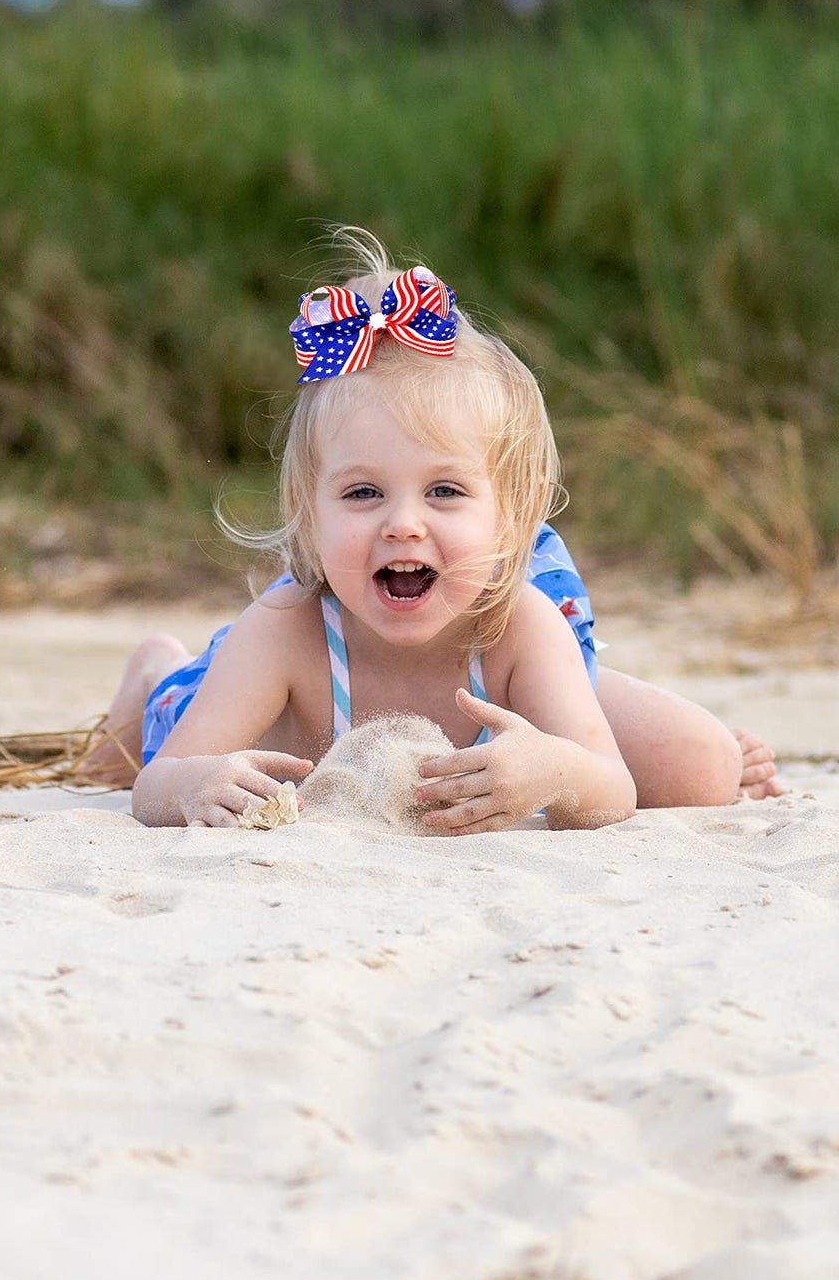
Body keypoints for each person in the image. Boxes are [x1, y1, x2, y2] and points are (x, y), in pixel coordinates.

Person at [93, 231, 780, 831]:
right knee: (149, 735)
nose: (402, 524)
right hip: (213, 708)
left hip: (508, 644)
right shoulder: (282, 630)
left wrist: (554, 774)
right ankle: (153, 670)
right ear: (309, 512)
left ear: (513, 514)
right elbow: (159, 783)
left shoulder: (519, 627)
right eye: (362, 492)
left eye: (444, 491)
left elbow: (611, 786)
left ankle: (587, 696)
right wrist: (192, 785)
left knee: (698, 773)